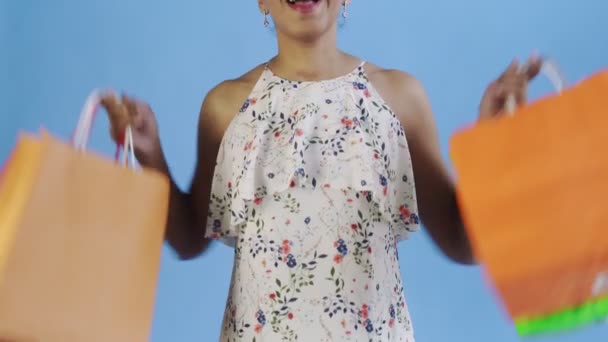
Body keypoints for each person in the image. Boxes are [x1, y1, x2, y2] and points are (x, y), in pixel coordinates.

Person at [102, 1, 541, 340]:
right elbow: (188, 237)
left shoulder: (399, 99)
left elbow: (462, 241)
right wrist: (151, 154)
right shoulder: (226, 107)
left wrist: (494, 144)